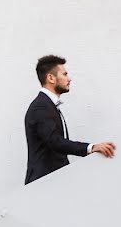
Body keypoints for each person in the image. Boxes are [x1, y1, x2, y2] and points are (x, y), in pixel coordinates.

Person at [24, 55, 115, 184]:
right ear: (51, 78)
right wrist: (91, 147)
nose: (69, 78)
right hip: (43, 185)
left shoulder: (47, 105)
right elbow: (55, 142)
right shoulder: (41, 107)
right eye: (65, 74)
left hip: (52, 183)